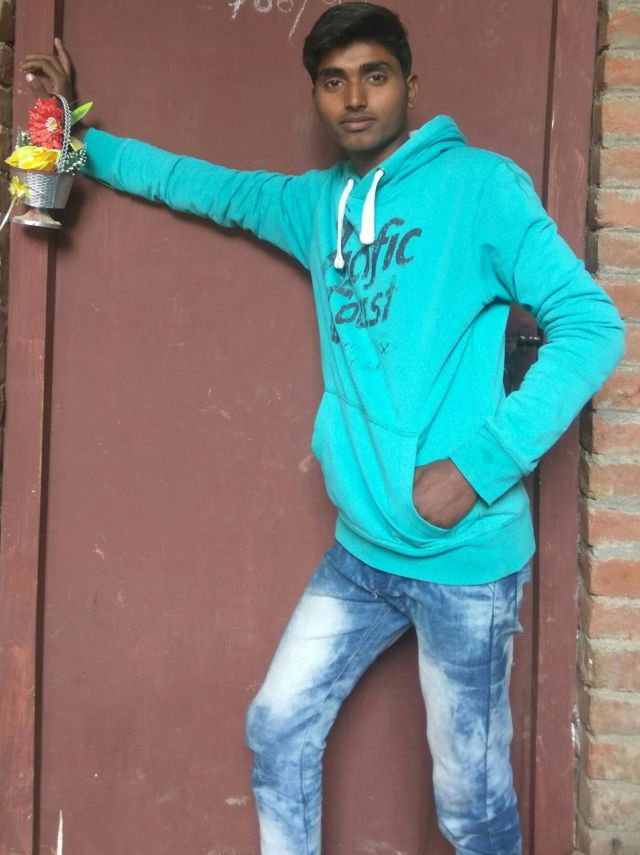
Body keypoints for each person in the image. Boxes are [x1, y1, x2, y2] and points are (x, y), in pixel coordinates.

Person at [22, 4, 624, 854]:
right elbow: (205, 186)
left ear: (410, 85)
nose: (355, 98)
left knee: (470, 805)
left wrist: (477, 465)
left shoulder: (482, 189)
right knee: (277, 727)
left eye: (375, 76)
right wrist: (77, 144)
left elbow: (593, 327)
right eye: (334, 81)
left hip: (467, 564)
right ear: (316, 96)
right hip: (362, 549)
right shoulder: (317, 206)